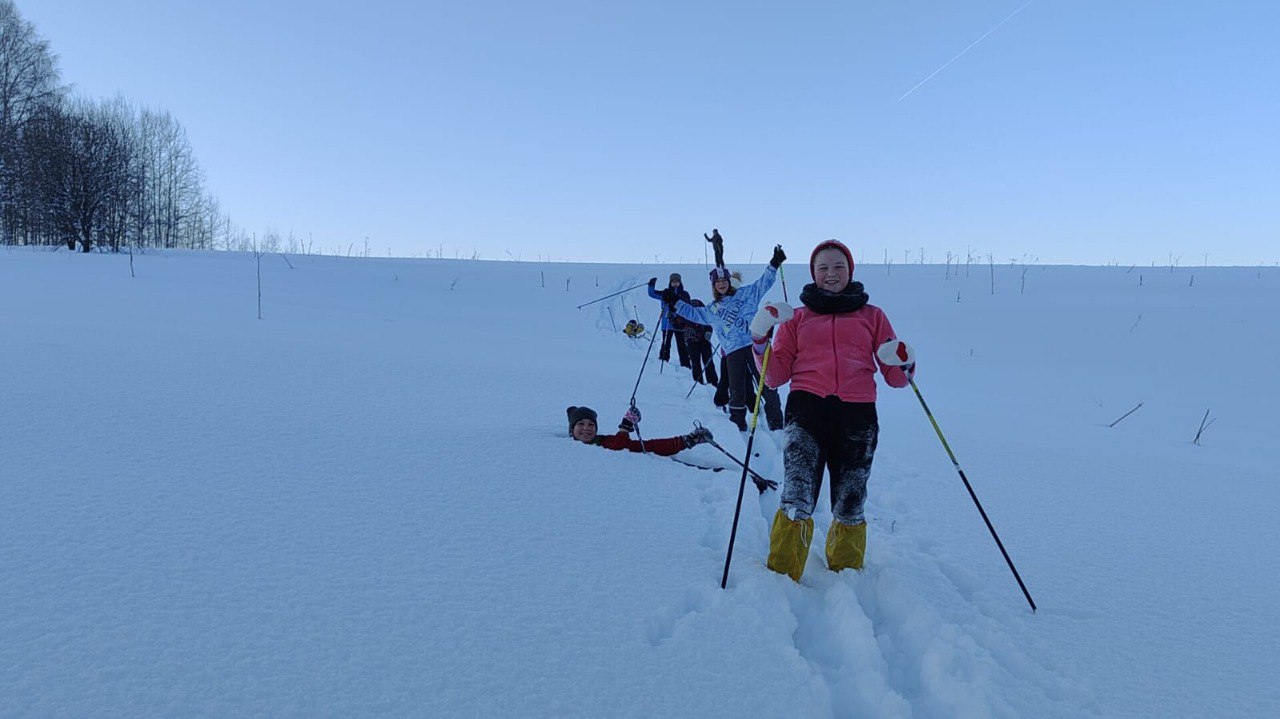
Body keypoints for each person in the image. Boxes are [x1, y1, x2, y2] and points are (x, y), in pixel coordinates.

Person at [749, 239, 916, 582]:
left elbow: (896, 378)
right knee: (797, 495)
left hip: (858, 417)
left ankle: (846, 574)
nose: (831, 273)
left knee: (851, 500)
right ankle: (782, 575)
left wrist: (905, 361)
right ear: (813, 273)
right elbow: (775, 376)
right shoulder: (797, 319)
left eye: (838, 266)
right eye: (823, 267)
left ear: (850, 271)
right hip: (807, 412)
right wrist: (760, 338)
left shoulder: (873, 316)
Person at [671, 246, 786, 432]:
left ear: (729, 282)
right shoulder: (712, 309)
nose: (722, 284)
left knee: (767, 384)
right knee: (737, 389)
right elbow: (693, 313)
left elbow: (763, 283)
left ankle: (776, 424)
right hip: (732, 351)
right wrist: (674, 302)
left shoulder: (746, 293)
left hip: (755, 345)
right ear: (714, 286)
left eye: (724, 280)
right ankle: (737, 424)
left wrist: (774, 263)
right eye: (718, 282)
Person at [567, 405, 713, 456]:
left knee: (643, 447)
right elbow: (618, 450)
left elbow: (648, 447)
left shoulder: (604, 441)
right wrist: (625, 427)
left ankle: (689, 440)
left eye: (591, 425)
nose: (586, 428)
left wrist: (683, 441)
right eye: (580, 424)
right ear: (572, 430)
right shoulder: (566, 450)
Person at [647, 274, 692, 367]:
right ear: (670, 282)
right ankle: (663, 361)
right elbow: (652, 294)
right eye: (673, 282)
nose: (675, 283)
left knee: (682, 346)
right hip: (667, 324)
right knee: (666, 344)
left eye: (677, 281)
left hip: (680, 323)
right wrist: (651, 285)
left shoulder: (684, 294)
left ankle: (686, 365)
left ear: (680, 282)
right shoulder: (665, 293)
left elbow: (688, 304)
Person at [682, 299, 719, 386]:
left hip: (704, 340)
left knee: (708, 360)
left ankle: (713, 381)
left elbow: (709, 324)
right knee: (695, 362)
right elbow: (679, 325)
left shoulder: (705, 315)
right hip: (692, 341)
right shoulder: (686, 315)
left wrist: (708, 332)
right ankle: (698, 382)